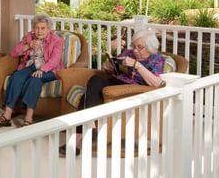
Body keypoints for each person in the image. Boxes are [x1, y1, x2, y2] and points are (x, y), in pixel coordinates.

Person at [59, 28, 165, 156]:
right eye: (133, 46)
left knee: (92, 90)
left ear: (150, 47)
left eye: (139, 47)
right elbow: (116, 64)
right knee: (95, 80)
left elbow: (157, 83)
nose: (135, 50)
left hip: (132, 90)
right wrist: (108, 66)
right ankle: (88, 127)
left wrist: (137, 65)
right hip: (116, 81)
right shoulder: (129, 53)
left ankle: (78, 139)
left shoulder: (157, 59)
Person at [0, 13, 63, 127]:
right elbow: (14, 53)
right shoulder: (29, 36)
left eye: (43, 28)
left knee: (34, 80)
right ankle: (7, 115)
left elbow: (55, 60)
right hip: (31, 65)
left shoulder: (57, 40)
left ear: (49, 29)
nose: (39, 31)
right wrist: (28, 46)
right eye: (37, 28)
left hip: (50, 69)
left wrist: (42, 70)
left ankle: (28, 117)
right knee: (17, 76)